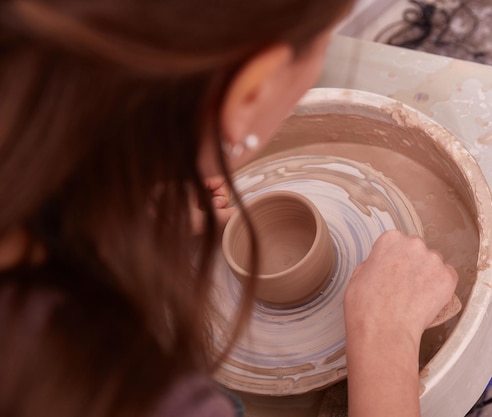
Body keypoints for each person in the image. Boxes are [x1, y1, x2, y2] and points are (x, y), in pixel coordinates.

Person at [0, 0, 458, 416]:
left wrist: (113, 215)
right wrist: (383, 340)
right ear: (253, 91)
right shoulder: (139, 395)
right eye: (322, 48)